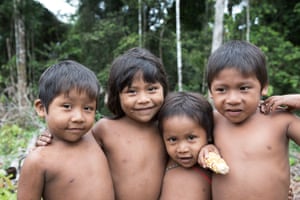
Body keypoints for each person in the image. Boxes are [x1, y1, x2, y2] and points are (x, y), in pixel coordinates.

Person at [35, 47, 169, 200]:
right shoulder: (105, 129)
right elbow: (72, 139)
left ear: (163, 89)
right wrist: (49, 137)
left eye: (152, 89)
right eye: (132, 91)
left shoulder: (167, 128)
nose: (143, 99)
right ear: (116, 95)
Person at [200, 40, 300, 200]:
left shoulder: (280, 119)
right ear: (211, 91)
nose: (232, 99)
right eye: (221, 89)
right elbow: (181, 144)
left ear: (264, 87)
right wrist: (204, 149)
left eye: (244, 88)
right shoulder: (210, 121)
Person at [17, 60, 114, 200]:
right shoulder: (38, 161)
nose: (79, 117)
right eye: (67, 106)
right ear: (41, 108)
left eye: (87, 108)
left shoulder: (96, 138)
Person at [157, 91, 214, 200]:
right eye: (173, 139)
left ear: (209, 135)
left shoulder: (214, 160)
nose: (182, 149)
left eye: (191, 138)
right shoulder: (164, 162)